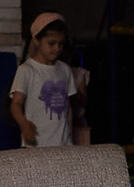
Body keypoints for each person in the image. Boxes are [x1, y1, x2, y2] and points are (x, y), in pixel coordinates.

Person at [8, 10, 88, 147]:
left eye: (60, 44)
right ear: (37, 41)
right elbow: (16, 104)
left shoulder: (65, 69)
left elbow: (67, 107)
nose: (57, 48)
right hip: (37, 144)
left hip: (63, 144)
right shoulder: (27, 70)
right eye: (51, 43)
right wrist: (24, 124)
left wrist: (69, 139)